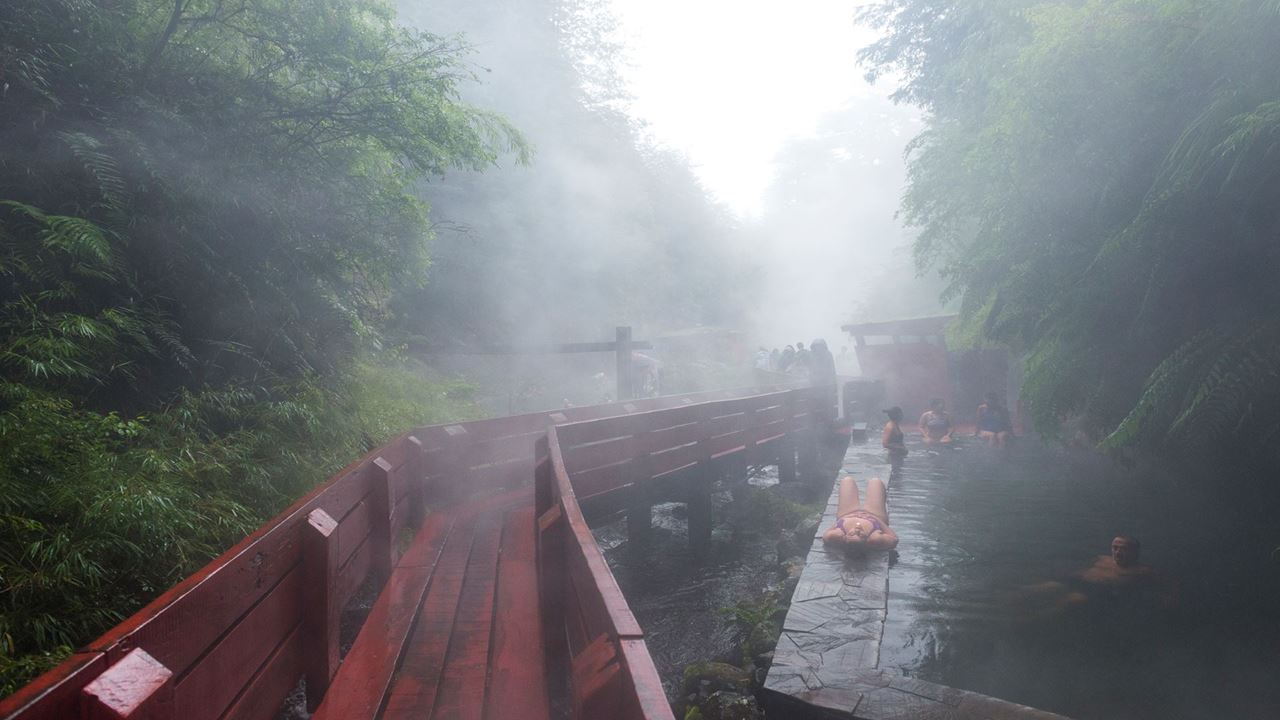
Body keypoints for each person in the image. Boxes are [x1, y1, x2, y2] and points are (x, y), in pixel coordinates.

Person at [1015, 535, 1177, 621]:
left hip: (1098, 591)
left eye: (1124, 549)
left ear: (1135, 552)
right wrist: (1069, 574)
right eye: (1115, 548)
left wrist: (1168, 597)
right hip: (1077, 581)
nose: (1118, 552)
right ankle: (1004, 603)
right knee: (1036, 589)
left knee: (1067, 602)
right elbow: (1077, 567)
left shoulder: (1144, 571)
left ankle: (1024, 620)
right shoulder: (1102, 559)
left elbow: (1168, 583)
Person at [822, 475, 898, 550]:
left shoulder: (836, 535)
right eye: (861, 535)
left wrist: (842, 519)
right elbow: (894, 539)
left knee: (847, 480)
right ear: (867, 540)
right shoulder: (875, 539)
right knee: (876, 482)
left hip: (848, 513)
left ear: (845, 537)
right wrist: (877, 520)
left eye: (852, 533)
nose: (857, 530)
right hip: (873, 515)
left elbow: (825, 536)